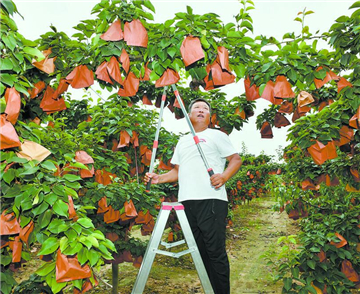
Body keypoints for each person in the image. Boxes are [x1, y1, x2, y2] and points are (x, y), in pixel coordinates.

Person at [144, 98, 242, 294]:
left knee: (215, 252)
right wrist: (158, 178)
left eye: (205, 108)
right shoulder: (183, 141)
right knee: (200, 252)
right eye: (196, 107)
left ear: (210, 117)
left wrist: (223, 176)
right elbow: (177, 172)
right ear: (188, 115)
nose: (200, 110)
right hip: (187, 202)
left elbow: (235, 159)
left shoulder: (216, 135)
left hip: (211, 200)